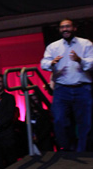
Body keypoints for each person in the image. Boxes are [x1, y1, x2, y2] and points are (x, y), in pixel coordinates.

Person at [40, 18, 93, 151]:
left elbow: (91, 62)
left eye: (68, 26)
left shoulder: (86, 44)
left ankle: (83, 151)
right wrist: (51, 63)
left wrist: (80, 60)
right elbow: (43, 63)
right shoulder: (54, 46)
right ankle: (68, 149)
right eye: (62, 27)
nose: (65, 29)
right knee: (59, 120)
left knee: (85, 122)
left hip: (82, 88)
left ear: (74, 28)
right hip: (62, 90)